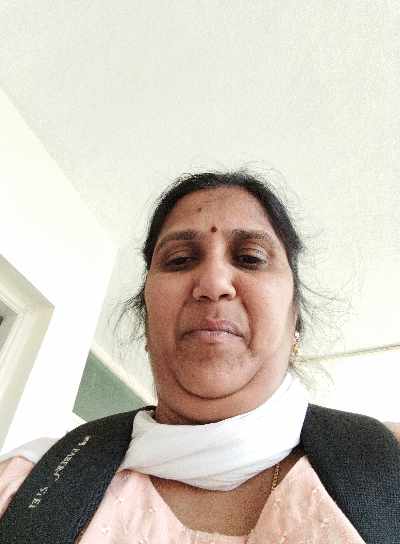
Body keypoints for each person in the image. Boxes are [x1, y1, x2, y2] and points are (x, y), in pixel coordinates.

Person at [0, 170, 399, 543]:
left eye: (250, 257)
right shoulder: (24, 489)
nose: (213, 283)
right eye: (179, 260)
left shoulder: (389, 462)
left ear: (295, 318)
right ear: (146, 318)